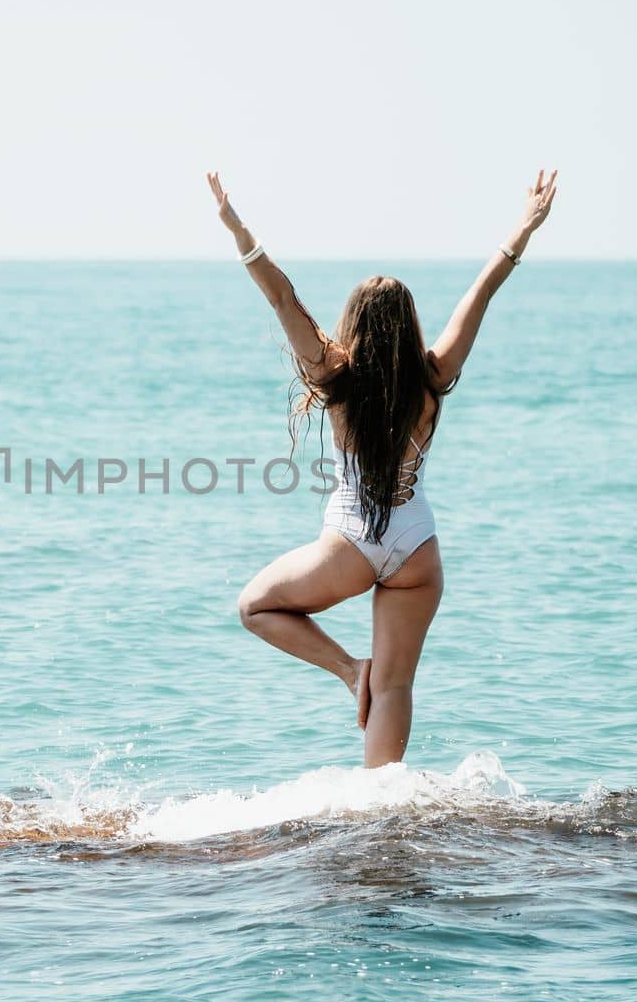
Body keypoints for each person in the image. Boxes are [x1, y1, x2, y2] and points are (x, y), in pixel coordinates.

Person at [210, 168, 558, 768]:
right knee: (396, 686)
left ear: (355, 325)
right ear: (408, 325)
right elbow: (481, 293)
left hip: (351, 540)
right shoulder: (433, 376)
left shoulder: (333, 375)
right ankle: (384, 802)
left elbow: (281, 298)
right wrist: (521, 231)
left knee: (255, 606)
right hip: (416, 547)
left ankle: (350, 670)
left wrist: (241, 233)